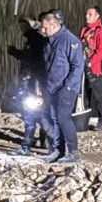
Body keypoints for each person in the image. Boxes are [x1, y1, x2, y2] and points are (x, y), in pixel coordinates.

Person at [7, 14, 58, 156]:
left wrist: (15, 53)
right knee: (31, 115)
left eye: (24, 25)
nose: (21, 28)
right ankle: (30, 145)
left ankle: (52, 146)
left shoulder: (36, 39)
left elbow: (35, 62)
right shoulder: (33, 39)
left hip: (35, 82)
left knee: (40, 116)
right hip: (31, 81)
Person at [39, 9, 85, 163]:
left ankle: (73, 152)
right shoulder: (49, 40)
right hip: (51, 87)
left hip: (66, 88)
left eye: (45, 27)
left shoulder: (69, 40)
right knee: (54, 119)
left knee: (63, 118)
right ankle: (58, 150)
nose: (42, 30)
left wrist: (68, 87)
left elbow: (77, 66)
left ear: (53, 25)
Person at [80, 6, 102, 130]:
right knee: (85, 95)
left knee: (99, 95)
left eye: (90, 14)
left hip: (96, 69)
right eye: (86, 13)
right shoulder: (85, 30)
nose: (87, 16)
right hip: (84, 67)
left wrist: (90, 63)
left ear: (97, 16)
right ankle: (84, 119)